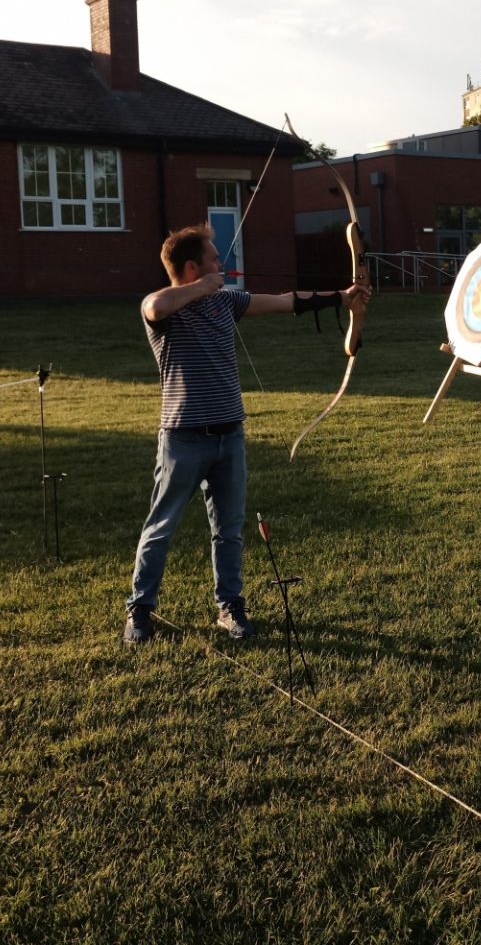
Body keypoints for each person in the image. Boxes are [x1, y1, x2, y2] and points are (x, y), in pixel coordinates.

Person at [123, 223, 367, 646]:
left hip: (229, 436)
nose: (222, 264)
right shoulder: (163, 307)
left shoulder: (226, 302)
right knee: (161, 526)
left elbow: (286, 301)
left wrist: (341, 298)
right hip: (183, 438)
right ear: (191, 266)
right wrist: (202, 289)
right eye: (215, 259)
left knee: (229, 528)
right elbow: (155, 307)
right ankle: (140, 611)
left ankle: (230, 606)